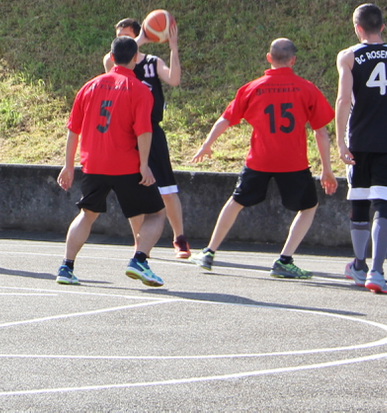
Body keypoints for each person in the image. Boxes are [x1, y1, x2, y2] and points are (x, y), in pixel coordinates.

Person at [188, 38, 337, 278]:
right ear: (293, 60)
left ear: (269, 58)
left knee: (236, 201)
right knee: (309, 206)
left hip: (260, 159)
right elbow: (321, 132)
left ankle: (209, 252)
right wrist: (326, 169)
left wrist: (207, 144)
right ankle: (284, 260)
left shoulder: (253, 87)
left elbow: (226, 118)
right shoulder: (306, 88)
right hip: (293, 161)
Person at [56, 35, 166, 288]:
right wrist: (144, 165)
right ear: (136, 58)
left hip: (93, 164)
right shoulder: (139, 89)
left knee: (87, 214)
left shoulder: (89, 86)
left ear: (112, 57)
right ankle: (139, 260)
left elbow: (73, 129)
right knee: (157, 214)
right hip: (125, 164)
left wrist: (68, 165)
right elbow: (144, 131)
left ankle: (66, 267)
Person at [335, 3, 387, 295]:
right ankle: (377, 272)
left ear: (357, 28)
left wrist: (340, 141)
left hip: (359, 142)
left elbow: (344, 100)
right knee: (384, 204)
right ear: (382, 26)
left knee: (359, 201)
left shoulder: (348, 56)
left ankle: (359, 264)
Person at [103, 16, 189, 258]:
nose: (120, 41)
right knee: (134, 191)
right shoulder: (113, 63)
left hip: (151, 130)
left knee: (167, 190)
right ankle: (140, 243)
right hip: (127, 133)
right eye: (118, 37)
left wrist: (173, 48)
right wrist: (138, 39)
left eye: (125, 36)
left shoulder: (152, 62)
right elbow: (110, 59)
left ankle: (180, 239)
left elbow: (174, 79)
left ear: (137, 33)